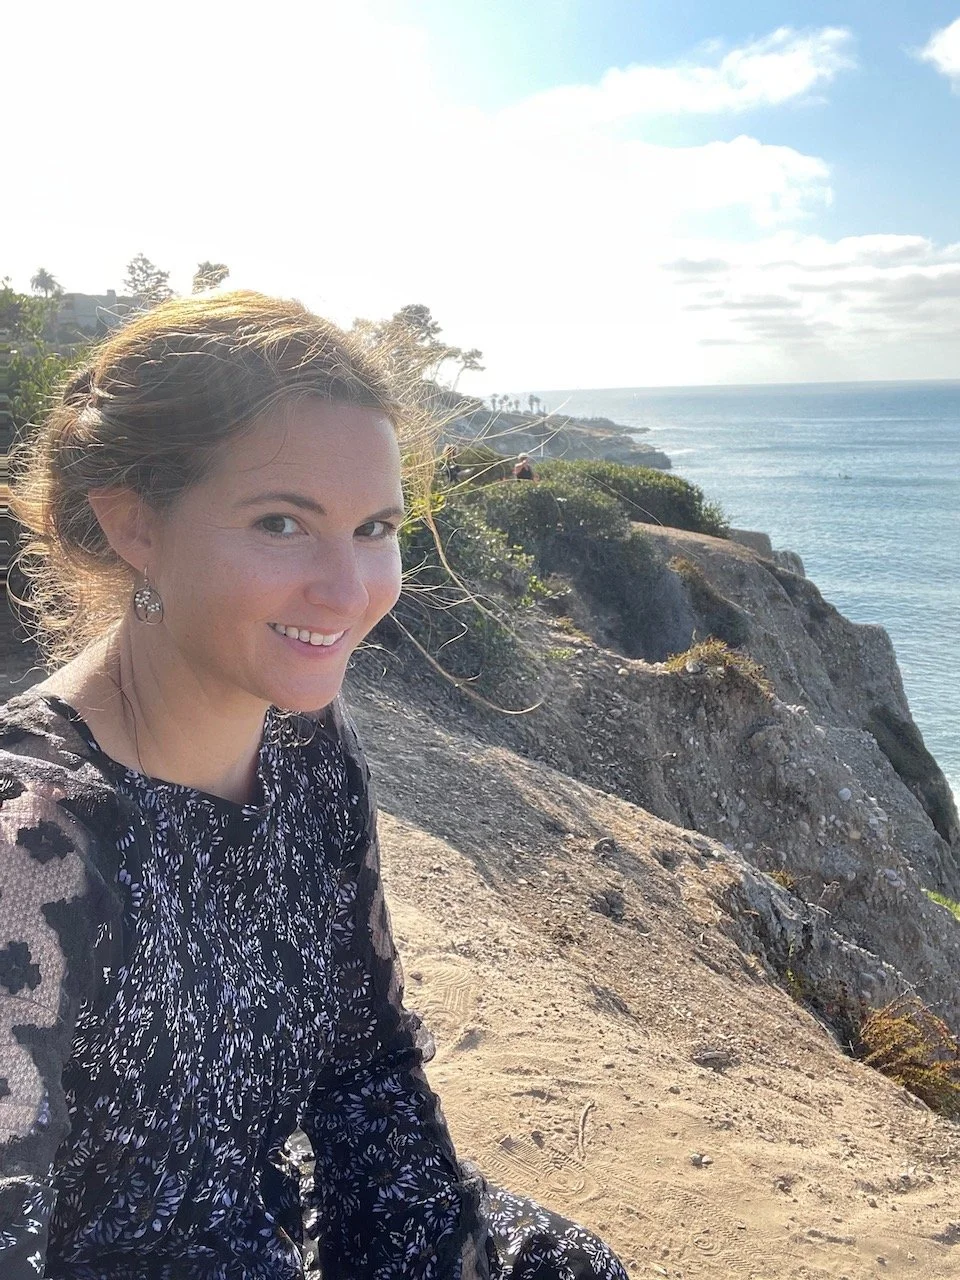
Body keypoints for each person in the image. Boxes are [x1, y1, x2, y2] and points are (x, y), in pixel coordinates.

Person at [0, 292, 628, 1280]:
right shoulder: (32, 839)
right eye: (283, 521)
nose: (349, 591)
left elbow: (366, 1069)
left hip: (288, 1217)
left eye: (375, 527)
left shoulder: (307, 747)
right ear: (135, 526)